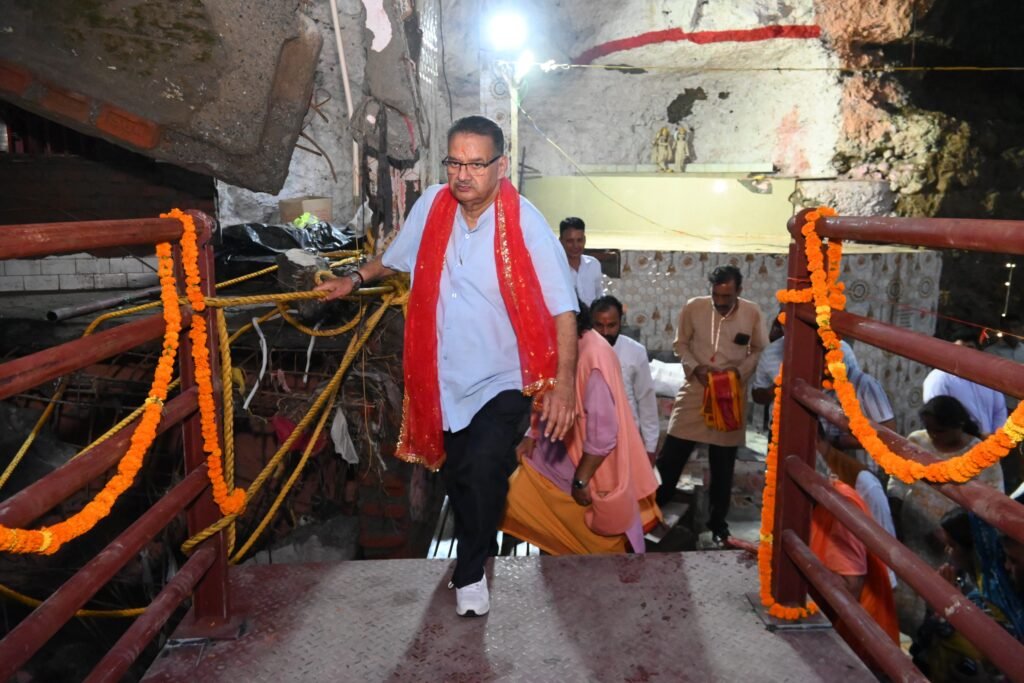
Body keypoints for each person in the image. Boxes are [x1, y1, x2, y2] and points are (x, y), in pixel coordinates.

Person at [315, 115, 578, 617]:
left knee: (480, 469)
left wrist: (562, 386)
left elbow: (563, 307)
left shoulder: (524, 221)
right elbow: (393, 259)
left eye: (476, 164)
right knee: (460, 477)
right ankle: (484, 542)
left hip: (504, 378)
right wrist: (351, 279)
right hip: (445, 379)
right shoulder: (433, 206)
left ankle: (471, 570)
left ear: (500, 166)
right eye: (455, 162)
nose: (463, 174)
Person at [501, 303, 660, 555]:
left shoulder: (591, 355)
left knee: (598, 554)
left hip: (581, 470)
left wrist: (582, 479)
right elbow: (547, 392)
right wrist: (532, 434)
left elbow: (604, 435)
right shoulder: (568, 347)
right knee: (514, 507)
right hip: (551, 458)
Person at [655, 265, 767, 544]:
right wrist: (695, 367)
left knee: (723, 466)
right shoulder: (694, 307)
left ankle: (718, 525)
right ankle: (652, 511)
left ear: (738, 292)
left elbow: (759, 349)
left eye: (726, 297)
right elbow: (680, 345)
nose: (719, 302)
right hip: (696, 389)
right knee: (671, 458)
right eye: (715, 295)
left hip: (730, 394)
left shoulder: (752, 313)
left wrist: (737, 374)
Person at [810, 476, 900, 668]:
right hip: (844, 639)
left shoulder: (840, 505)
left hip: (860, 647)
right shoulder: (823, 499)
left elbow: (849, 588)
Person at [590, 296, 660, 462]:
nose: (605, 332)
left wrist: (650, 446)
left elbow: (646, 399)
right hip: (590, 439)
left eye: (611, 325)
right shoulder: (582, 350)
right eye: (599, 325)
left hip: (626, 436)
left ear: (621, 322)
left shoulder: (635, 351)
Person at [923, 330, 1007, 436]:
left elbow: (999, 411)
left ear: (978, 351)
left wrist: (994, 437)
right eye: (959, 349)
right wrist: (976, 436)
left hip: (989, 443)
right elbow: (938, 414)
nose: (964, 353)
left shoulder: (988, 378)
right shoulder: (939, 378)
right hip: (955, 444)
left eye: (970, 348)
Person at [559, 217, 604, 307]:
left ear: (584, 240)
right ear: (560, 241)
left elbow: (599, 296)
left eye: (579, 240)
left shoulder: (593, 264)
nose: (575, 246)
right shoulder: (555, 268)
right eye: (570, 241)